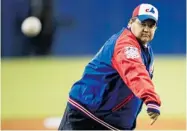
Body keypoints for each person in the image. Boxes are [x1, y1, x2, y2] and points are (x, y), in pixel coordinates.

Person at [59, 3, 161, 130]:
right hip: (88, 117)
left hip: (110, 121)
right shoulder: (125, 45)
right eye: (142, 24)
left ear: (155, 28)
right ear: (131, 22)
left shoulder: (146, 50)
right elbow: (135, 71)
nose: (146, 29)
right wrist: (150, 98)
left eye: (151, 26)